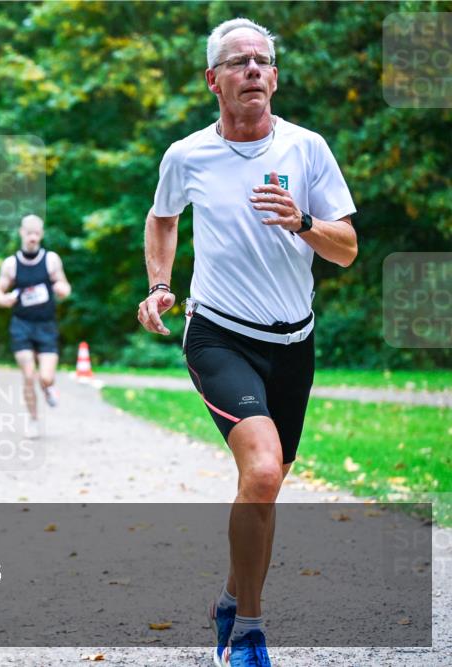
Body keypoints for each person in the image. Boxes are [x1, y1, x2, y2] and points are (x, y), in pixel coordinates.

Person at [138, 17, 357, 667]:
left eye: (263, 60)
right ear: (214, 81)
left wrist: (305, 221)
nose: (254, 69)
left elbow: (345, 249)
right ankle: (249, 634)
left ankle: (231, 597)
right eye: (239, 62)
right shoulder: (187, 155)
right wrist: (159, 283)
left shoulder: (307, 149)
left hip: (294, 339)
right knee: (260, 469)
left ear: (276, 78)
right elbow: (162, 217)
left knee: (268, 483)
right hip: (218, 333)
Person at [0, 214, 71, 437]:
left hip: (46, 325)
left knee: (45, 377)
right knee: (28, 375)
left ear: (41, 234)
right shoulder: (11, 264)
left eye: (37, 233)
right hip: (21, 325)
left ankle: (48, 387)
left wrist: (62, 289)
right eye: (29, 233)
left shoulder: (51, 260)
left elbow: (64, 285)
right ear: (21, 233)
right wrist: (3, 299)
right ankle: (33, 419)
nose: (33, 237)